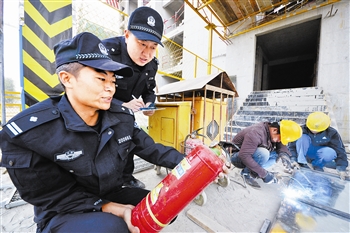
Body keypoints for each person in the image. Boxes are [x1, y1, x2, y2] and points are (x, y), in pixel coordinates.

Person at [0, 32, 229, 233]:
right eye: (101, 79)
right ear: (67, 79)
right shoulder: (31, 133)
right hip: (65, 209)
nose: (110, 87)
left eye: (112, 80)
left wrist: (202, 164)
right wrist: (109, 208)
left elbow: (152, 150)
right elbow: (51, 196)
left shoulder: (118, 116)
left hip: (111, 191)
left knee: (167, 206)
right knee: (113, 227)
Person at [102, 6, 164, 188]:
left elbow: (149, 89)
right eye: (142, 44)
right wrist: (123, 105)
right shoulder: (106, 53)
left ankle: (127, 177)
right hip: (100, 111)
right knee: (105, 149)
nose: (147, 53)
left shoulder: (152, 64)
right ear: (127, 35)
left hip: (126, 113)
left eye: (153, 47)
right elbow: (92, 92)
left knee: (127, 141)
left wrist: (150, 104)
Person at [230, 120, 302, 188]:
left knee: (278, 155)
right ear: (274, 130)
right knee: (263, 153)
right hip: (237, 157)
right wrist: (265, 175)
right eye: (280, 138)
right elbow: (244, 156)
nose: (279, 141)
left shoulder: (271, 131)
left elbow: (280, 144)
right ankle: (246, 174)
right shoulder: (256, 133)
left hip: (251, 154)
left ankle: (256, 171)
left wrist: (284, 155)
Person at [288, 112, 349, 180]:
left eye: (317, 129)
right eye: (312, 128)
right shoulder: (301, 130)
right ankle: (302, 163)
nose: (314, 130)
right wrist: (293, 159)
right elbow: (291, 146)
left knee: (330, 153)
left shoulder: (332, 132)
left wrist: (341, 168)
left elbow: (340, 150)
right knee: (302, 138)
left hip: (318, 154)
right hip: (306, 153)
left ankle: (317, 165)